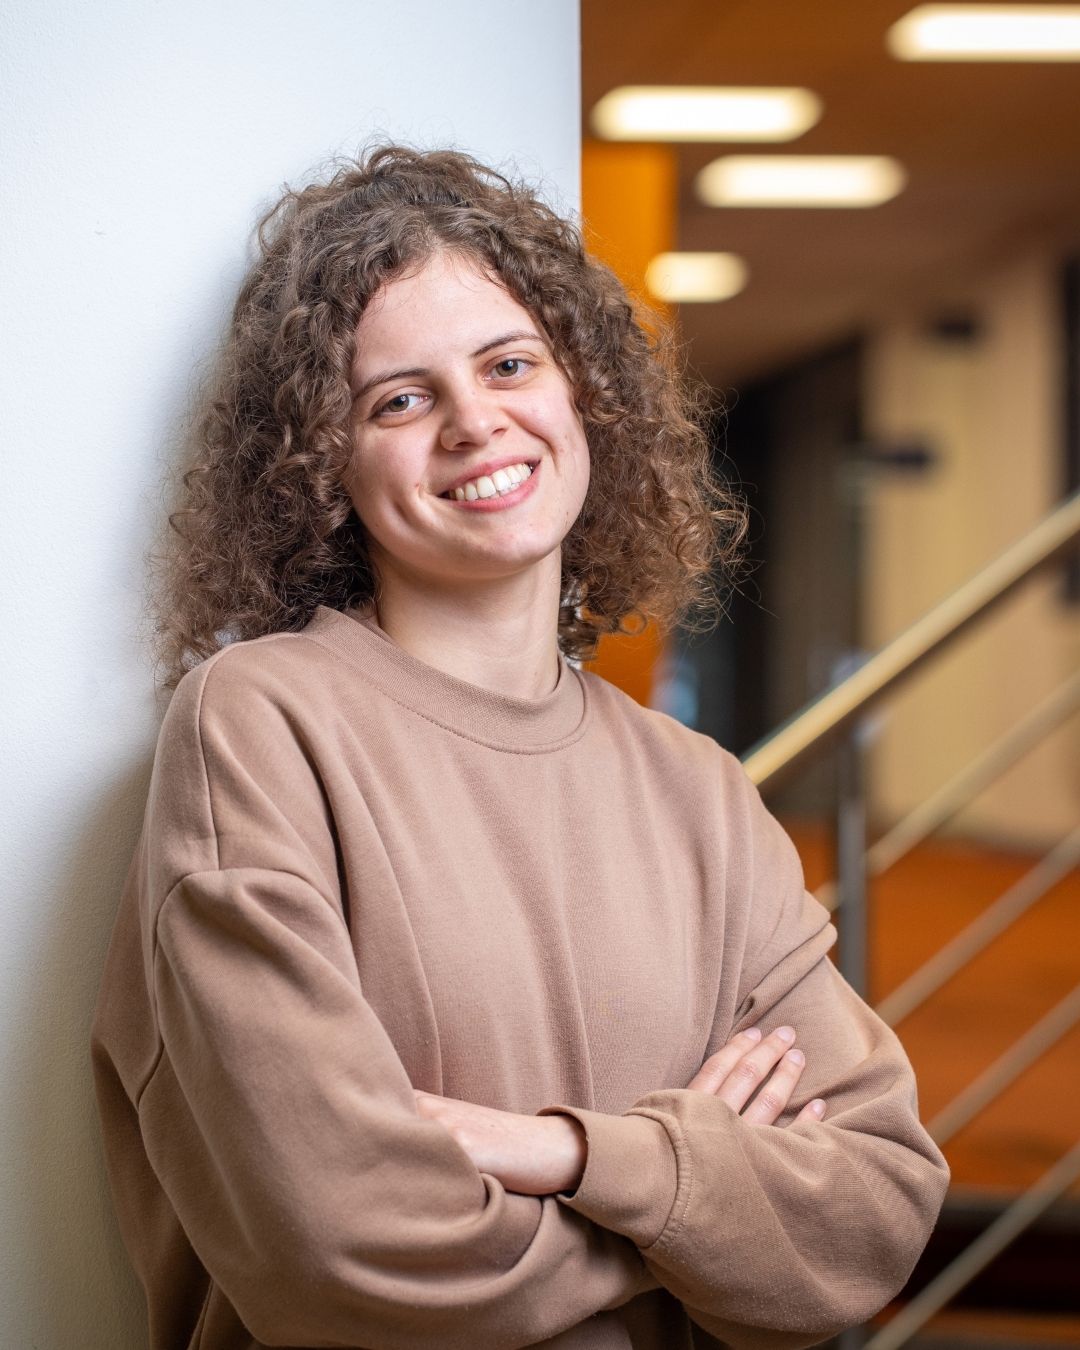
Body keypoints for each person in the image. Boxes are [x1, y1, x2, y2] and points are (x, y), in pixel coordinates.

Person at [91, 144, 949, 1350]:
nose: (474, 420)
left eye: (508, 363)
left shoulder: (695, 789)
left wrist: (560, 1152)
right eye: (399, 397)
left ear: (582, 390)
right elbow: (340, 1254)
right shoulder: (262, 725)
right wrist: (693, 1208)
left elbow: (874, 1211)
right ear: (320, 464)